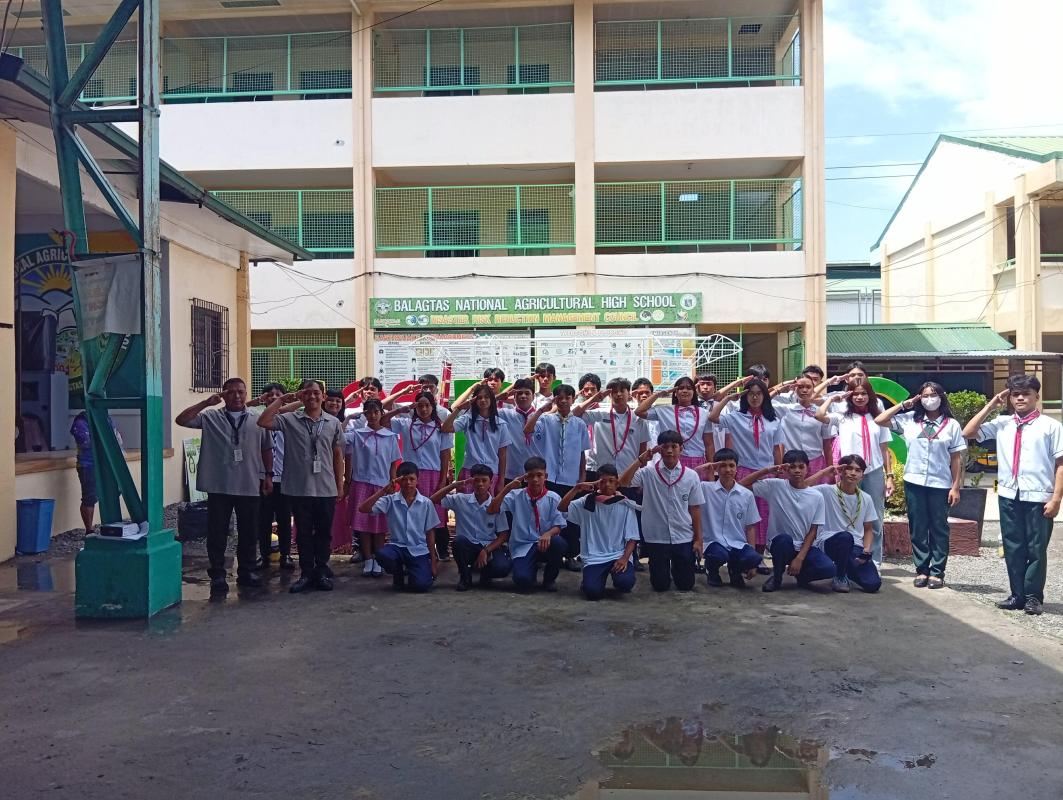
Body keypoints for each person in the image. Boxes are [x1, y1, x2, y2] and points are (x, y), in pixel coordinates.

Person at [964, 375, 1063, 616]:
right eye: (1015, 394)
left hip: (1038, 496)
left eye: (1026, 394)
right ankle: (1017, 595)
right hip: (1009, 494)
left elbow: (1061, 464)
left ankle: (1033, 597)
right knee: (1012, 547)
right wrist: (991, 405)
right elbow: (969, 431)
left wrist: (1056, 499)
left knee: (1036, 549)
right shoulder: (1003, 423)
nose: (1020, 398)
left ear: (1036, 396)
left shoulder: (1051, 426)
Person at [176, 378, 273, 593]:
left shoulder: (257, 419)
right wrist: (205, 403)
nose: (236, 396)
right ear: (223, 394)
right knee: (217, 532)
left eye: (240, 392)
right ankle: (218, 575)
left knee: (249, 531)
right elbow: (181, 420)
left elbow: (267, 448)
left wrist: (268, 474)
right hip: (219, 484)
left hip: (249, 483)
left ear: (246, 393)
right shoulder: (210, 417)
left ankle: (247, 571)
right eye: (230, 392)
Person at [257, 380, 345, 594]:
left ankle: (321, 571)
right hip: (299, 487)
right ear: (301, 397)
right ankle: (306, 573)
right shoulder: (290, 419)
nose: (312, 397)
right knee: (303, 533)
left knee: (324, 532)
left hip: (325, 487)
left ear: (323, 396)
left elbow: (337, 454)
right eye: (307, 393)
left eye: (316, 393)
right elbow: (263, 420)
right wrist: (281, 400)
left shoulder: (333, 422)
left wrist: (339, 485)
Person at [876, 382, 966, 588]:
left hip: (940, 483)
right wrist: (904, 404)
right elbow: (880, 419)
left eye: (933, 395)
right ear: (919, 398)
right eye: (925, 396)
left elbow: (956, 459)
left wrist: (955, 487)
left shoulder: (951, 425)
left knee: (939, 527)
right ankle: (922, 569)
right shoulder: (910, 420)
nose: (929, 399)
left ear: (942, 397)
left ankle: (937, 571)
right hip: (914, 481)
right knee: (917, 527)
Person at [815, 377, 893, 564]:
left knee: (875, 519)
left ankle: (873, 561)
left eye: (863, 393)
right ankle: (845, 560)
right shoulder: (842, 416)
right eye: (855, 394)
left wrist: (889, 475)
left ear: (870, 395)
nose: (859, 397)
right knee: (845, 515)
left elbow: (884, 448)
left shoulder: (878, 418)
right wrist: (832, 399)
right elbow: (819, 415)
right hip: (848, 472)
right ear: (849, 395)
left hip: (873, 470)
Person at [619, 431, 704, 592]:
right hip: (656, 537)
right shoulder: (648, 473)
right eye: (665, 447)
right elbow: (622, 482)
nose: (670, 451)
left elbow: (695, 508)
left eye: (674, 446)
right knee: (660, 585)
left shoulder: (691, 476)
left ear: (681, 449)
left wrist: (698, 540)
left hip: (683, 535)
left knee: (686, 585)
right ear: (659, 449)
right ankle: (663, 570)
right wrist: (640, 460)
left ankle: (678, 568)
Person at [710, 378, 784, 562]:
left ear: (765, 396)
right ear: (745, 396)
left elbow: (777, 448)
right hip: (743, 471)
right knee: (741, 514)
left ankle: (758, 556)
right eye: (750, 394)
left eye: (759, 394)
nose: (755, 397)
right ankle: (740, 553)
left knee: (764, 515)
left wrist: (778, 471)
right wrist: (728, 399)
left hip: (766, 472)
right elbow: (713, 417)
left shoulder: (773, 420)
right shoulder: (735, 417)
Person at [739, 450, 832, 593]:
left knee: (829, 568)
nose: (797, 470)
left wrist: (799, 558)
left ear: (807, 468)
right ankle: (777, 578)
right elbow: (741, 485)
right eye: (792, 467)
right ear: (785, 469)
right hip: (780, 545)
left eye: (801, 467)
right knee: (783, 540)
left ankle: (802, 577)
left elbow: (813, 530)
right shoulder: (775, 486)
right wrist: (767, 470)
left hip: (804, 546)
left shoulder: (817, 496)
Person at [383, 391, 454, 562]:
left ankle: (437, 551)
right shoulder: (406, 424)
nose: (423, 409)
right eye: (420, 406)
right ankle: (413, 549)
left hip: (433, 475)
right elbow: (383, 420)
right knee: (412, 512)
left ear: (433, 407)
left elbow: (445, 455)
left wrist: (442, 480)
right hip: (411, 476)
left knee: (435, 514)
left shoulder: (440, 427)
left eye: (427, 405)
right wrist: (401, 410)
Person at [526, 384, 590, 571]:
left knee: (571, 519)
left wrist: (582, 476)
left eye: (567, 397)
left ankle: (570, 556)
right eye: (559, 397)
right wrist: (541, 410)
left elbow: (582, 453)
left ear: (573, 399)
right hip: (549, 479)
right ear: (554, 399)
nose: (563, 401)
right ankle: (542, 555)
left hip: (571, 480)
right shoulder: (545, 420)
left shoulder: (579, 424)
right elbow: (527, 430)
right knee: (545, 517)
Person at [559, 465, 639, 600]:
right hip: (594, 557)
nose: (607, 485)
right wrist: (576, 488)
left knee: (625, 583)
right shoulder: (587, 501)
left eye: (611, 481)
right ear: (597, 484)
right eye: (603, 481)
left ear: (617, 483)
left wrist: (624, 558)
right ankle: (589, 581)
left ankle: (618, 578)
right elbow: (562, 508)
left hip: (618, 555)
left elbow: (633, 537)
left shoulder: (625, 504)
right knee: (592, 592)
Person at [487, 457, 567, 591]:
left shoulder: (553, 498)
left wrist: (548, 534)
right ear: (525, 478)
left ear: (546, 476)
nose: (535, 479)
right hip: (522, 545)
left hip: (544, 544)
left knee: (559, 543)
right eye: (531, 476)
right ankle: (529, 569)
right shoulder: (516, 496)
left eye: (539, 475)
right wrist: (507, 488)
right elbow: (491, 510)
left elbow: (559, 525)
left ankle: (549, 579)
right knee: (522, 581)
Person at [358, 462, 439, 592]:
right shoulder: (390, 500)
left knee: (421, 586)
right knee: (382, 554)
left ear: (417, 480)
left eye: (412, 479)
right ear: (398, 481)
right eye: (404, 479)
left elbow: (430, 533)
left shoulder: (426, 503)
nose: (408, 483)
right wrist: (384, 490)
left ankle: (415, 571)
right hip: (397, 548)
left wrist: (433, 564)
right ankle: (398, 574)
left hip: (418, 550)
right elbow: (363, 508)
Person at [431, 465, 512, 591]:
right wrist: (454, 485)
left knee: (502, 567)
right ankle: (465, 577)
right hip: (467, 547)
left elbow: (503, 535)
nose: (480, 484)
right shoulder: (461, 499)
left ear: (491, 483)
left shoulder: (496, 504)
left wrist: (486, 550)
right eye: (476, 480)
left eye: (484, 480)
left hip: (488, 547)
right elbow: (433, 499)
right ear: (471, 482)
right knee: (458, 541)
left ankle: (486, 575)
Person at [810, 456, 882, 593]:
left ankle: (847, 569)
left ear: (862, 476)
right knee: (845, 537)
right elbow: (802, 486)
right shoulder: (826, 491)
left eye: (858, 470)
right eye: (849, 468)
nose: (853, 473)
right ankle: (840, 576)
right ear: (841, 471)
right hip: (830, 541)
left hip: (855, 546)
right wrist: (824, 472)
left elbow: (868, 529)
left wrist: (866, 550)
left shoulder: (866, 498)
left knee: (873, 584)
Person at [347, 398, 401, 577]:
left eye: (376, 411)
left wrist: (392, 482)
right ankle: (368, 558)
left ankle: (378, 558)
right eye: (368, 412)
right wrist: (348, 419)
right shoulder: (357, 434)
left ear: (381, 413)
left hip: (382, 484)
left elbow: (393, 462)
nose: (372, 415)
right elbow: (339, 438)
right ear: (364, 414)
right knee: (363, 523)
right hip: (361, 482)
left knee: (379, 524)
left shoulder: (390, 436)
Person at [693, 448, 762, 588]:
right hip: (713, 542)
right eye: (723, 465)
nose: (728, 469)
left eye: (731, 465)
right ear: (716, 468)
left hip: (737, 543)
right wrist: (701, 469)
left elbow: (750, 527)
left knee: (753, 558)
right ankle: (711, 570)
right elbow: (687, 480)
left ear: (737, 468)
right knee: (719, 555)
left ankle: (735, 570)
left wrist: (752, 559)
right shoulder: (705, 488)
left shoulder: (746, 495)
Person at [251, 383, 294, 570]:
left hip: (284, 476)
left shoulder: (290, 418)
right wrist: (256, 402)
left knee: (284, 518)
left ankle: (286, 555)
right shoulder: (256, 417)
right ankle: (264, 554)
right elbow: (241, 407)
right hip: (262, 475)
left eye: (278, 394)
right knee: (263, 518)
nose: (274, 397)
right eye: (269, 395)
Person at [442, 381, 510, 492]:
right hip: (469, 470)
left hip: (491, 472)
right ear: (474, 400)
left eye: (486, 397)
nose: (483, 400)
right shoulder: (467, 419)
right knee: (465, 502)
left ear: (492, 400)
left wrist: (501, 480)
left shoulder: (501, 424)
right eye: (479, 398)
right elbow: (445, 428)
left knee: (488, 503)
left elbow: (502, 455)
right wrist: (459, 409)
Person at [635, 376, 714, 470]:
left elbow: (709, 444)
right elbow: (639, 411)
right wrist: (658, 395)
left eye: (689, 388)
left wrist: (711, 467)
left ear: (694, 392)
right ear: (675, 393)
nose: (685, 391)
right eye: (681, 388)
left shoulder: (704, 413)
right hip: (670, 459)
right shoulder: (664, 411)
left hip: (696, 461)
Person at [773, 373, 834, 484]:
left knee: (816, 493)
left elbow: (827, 444)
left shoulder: (821, 413)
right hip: (791, 464)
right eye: (800, 387)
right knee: (790, 493)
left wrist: (831, 471)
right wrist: (782, 387)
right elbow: (764, 400)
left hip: (816, 462)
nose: (804, 390)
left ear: (813, 389)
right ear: (794, 389)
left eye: (808, 387)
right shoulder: (785, 410)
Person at [69, 409, 123, 534]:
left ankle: (110, 524)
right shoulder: (80, 422)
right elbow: (85, 442)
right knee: (89, 497)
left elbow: (117, 438)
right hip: (88, 464)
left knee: (115, 491)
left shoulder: (107, 419)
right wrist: (107, 439)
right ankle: (89, 530)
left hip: (106, 463)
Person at [496, 378, 542, 486]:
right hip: (510, 474)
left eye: (527, 393)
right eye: (519, 393)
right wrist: (498, 397)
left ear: (533, 396)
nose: (523, 396)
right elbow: (481, 408)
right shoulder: (504, 414)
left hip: (535, 476)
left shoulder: (542, 418)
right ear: (514, 396)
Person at [577, 372, 603, 481]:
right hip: (581, 464)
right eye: (586, 390)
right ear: (581, 392)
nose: (589, 393)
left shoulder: (604, 413)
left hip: (601, 464)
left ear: (598, 391)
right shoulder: (577, 413)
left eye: (593, 389)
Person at [631, 378, 660, 457]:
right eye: (640, 393)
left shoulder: (660, 415)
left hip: (658, 460)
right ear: (634, 395)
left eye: (647, 392)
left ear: (652, 394)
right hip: (636, 460)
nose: (644, 395)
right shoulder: (630, 418)